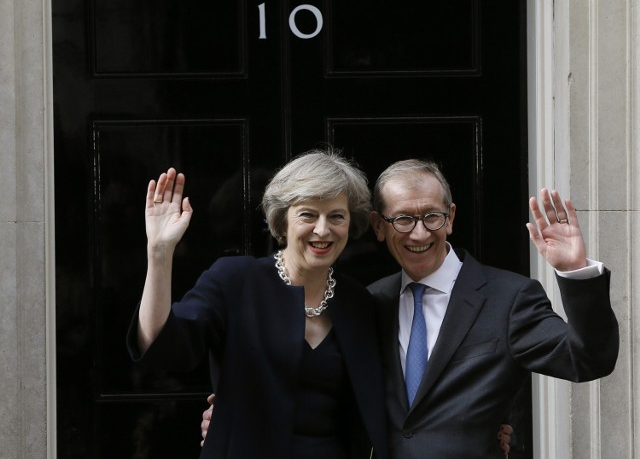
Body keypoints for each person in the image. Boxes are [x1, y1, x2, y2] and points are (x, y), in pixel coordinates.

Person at [127, 150, 389, 459]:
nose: (322, 229)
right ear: (283, 220)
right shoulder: (236, 280)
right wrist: (159, 253)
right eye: (307, 214)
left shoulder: (359, 302)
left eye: (336, 216)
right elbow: (163, 346)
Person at [367, 159, 618, 458]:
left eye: (432, 216)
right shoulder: (371, 302)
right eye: (403, 219)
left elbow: (588, 360)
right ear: (379, 226)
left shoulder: (509, 298)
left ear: (450, 218)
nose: (420, 234)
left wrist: (575, 271)